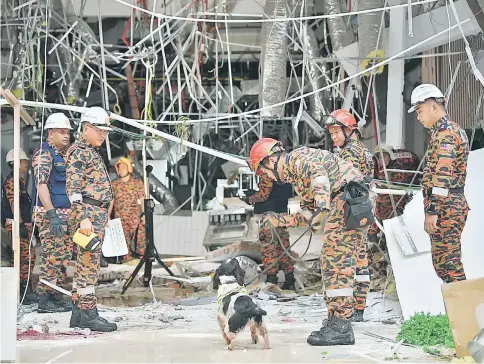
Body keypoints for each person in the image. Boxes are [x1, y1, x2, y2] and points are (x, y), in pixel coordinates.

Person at [249, 138, 372, 346]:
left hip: (347, 200)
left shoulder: (298, 159)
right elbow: (307, 214)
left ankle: (341, 326)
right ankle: (337, 319)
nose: (268, 178)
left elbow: (319, 176)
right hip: (349, 201)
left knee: (336, 264)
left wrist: (323, 207)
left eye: (265, 173)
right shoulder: (297, 177)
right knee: (334, 262)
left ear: (269, 161)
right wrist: (276, 220)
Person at [408, 83, 469, 283]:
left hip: (447, 206)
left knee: (449, 265)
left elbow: (443, 176)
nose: (418, 117)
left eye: (419, 110)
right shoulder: (444, 132)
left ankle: (464, 312)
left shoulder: (446, 134)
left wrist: (432, 211)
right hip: (449, 204)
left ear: (434, 106)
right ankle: (459, 312)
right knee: (444, 264)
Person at [66, 106, 117, 332]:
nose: (103, 136)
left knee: (84, 266)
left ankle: (78, 314)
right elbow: (73, 188)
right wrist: (84, 217)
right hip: (87, 214)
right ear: (86, 128)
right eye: (100, 131)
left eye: (105, 132)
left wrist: (102, 213)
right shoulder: (79, 152)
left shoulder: (90, 151)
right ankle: (88, 314)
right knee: (88, 267)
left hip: (95, 213)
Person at [323, 109, 374, 323]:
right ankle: (359, 308)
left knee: (345, 260)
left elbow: (341, 182)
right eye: (331, 133)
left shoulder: (349, 153)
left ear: (349, 130)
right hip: (362, 210)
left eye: (336, 132)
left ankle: (344, 313)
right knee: (360, 258)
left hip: (349, 211)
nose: (333, 137)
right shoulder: (363, 150)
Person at [31, 113, 73, 313]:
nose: (66, 136)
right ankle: (45, 299)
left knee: (62, 255)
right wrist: (51, 214)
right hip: (50, 215)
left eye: (68, 132)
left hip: (64, 214)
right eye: (62, 132)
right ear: (50, 132)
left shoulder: (63, 154)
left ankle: (55, 293)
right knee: (52, 255)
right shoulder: (44, 153)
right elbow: (41, 185)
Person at [244, 174, 295, 289]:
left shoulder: (267, 173)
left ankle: (271, 280)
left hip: (268, 217)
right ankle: (290, 279)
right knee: (283, 247)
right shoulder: (285, 173)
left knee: (269, 248)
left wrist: (250, 198)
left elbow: (263, 195)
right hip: (282, 215)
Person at [1, 149, 37, 304]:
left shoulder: (19, 180)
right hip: (16, 224)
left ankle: (24, 287)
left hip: (22, 223)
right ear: (16, 163)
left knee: (28, 256)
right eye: (24, 161)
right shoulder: (12, 181)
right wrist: (21, 224)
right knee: (23, 257)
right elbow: (13, 204)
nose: (26, 164)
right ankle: (21, 290)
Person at [368, 144, 421, 244]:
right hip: (392, 199)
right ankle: (375, 234)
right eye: (379, 157)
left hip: (402, 198)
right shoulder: (381, 167)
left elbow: (395, 183)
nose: (382, 160)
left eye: (384, 156)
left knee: (382, 202)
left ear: (390, 155)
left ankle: (375, 233)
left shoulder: (401, 164)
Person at [108, 157, 146, 262]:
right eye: (119, 167)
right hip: (120, 218)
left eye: (124, 167)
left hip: (135, 216)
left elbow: (142, 198)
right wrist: (107, 215)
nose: (121, 170)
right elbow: (111, 201)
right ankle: (127, 261)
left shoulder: (137, 183)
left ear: (129, 168)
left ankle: (142, 260)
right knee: (123, 241)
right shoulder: (114, 185)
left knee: (140, 239)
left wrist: (144, 214)